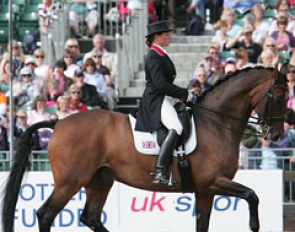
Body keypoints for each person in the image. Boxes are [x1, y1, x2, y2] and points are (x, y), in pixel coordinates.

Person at [135, 20, 195, 185]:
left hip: (164, 97)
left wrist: (185, 93)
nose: (169, 36)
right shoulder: (154, 56)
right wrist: (185, 94)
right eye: (166, 34)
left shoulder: (160, 53)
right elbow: (161, 85)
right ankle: (160, 171)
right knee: (176, 127)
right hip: (156, 99)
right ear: (156, 37)